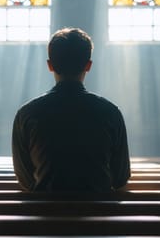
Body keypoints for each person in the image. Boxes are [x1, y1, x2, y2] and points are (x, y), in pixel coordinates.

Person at [11, 27, 131, 192]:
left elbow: (25, 179)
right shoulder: (110, 112)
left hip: (44, 214)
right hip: (99, 214)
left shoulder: (27, 114)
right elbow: (120, 178)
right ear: (88, 65)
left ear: (50, 65)